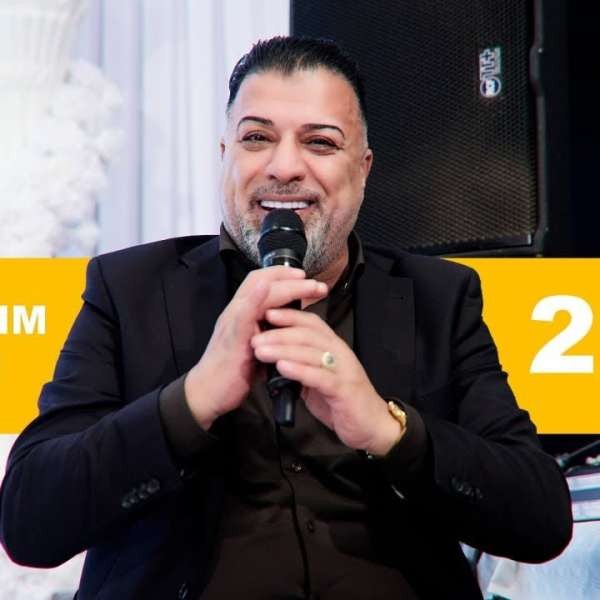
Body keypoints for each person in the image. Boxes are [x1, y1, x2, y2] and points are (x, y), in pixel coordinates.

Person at [0, 36, 572, 599]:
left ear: (364, 169)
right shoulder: (130, 290)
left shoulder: (438, 297)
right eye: (257, 138)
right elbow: (30, 522)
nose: (284, 166)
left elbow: (541, 518)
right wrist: (190, 401)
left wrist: (389, 431)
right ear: (225, 155)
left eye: (320, 142)